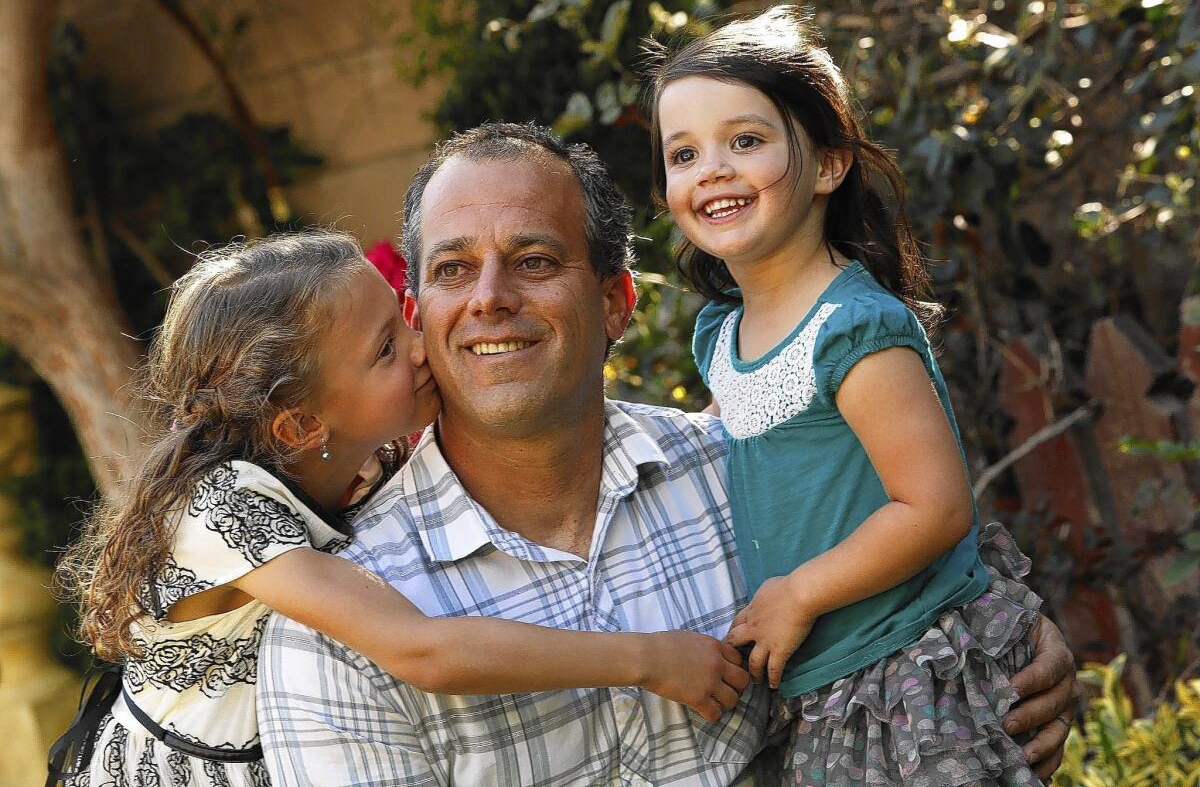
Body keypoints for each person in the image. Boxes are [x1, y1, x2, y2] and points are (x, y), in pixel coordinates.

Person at [256, 123, 1077, 786]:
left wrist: (1016, 644)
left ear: (617, 303)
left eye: (535, 261)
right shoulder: (342, 629)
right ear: (416, 316)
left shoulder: (740, 482)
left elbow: (919, 557)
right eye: (454, 269)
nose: (489, 297)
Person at [48, 232, 750, 786]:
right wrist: (646, 659)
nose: (421, 347)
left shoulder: (359, 461)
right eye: (386, 349)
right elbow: (424, 649)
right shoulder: (220, 509)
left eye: (400, 316)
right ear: (300, 425)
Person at [646, 4, 1059, 786]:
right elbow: (753, 449)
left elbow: (934, 508)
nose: (712, 170)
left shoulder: (854, 328)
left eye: (746, 141)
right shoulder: (721, 333)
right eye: (683, 153)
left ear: (829, 165)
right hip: (825, 681)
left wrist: (799, 591)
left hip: (908, 664)